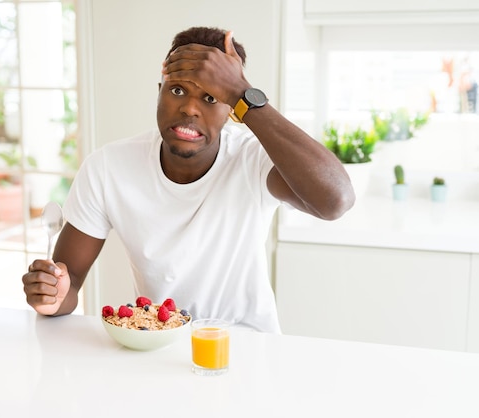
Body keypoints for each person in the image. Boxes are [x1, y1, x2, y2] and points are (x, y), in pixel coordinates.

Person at [22, 27, 355, 333]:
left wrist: (242, 91)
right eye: (177, 90)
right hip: (156, 345)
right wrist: (51, 296)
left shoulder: (254, 160)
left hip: (247, 348)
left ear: (232, 111)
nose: (190, 109)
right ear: (159, 92)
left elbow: (335, 201)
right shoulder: (108, 168)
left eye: (211, 97)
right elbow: (70, 281)